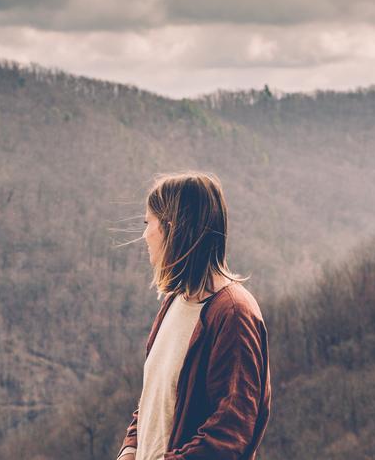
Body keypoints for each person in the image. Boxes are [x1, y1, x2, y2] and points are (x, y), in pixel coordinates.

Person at [116, 171, 271, 460]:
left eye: (147, 223)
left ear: (172, 229)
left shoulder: (233, 314)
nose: (144, 235)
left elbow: (232, 431)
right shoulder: (175, 300)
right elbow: (156, 398)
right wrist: (130, 447)